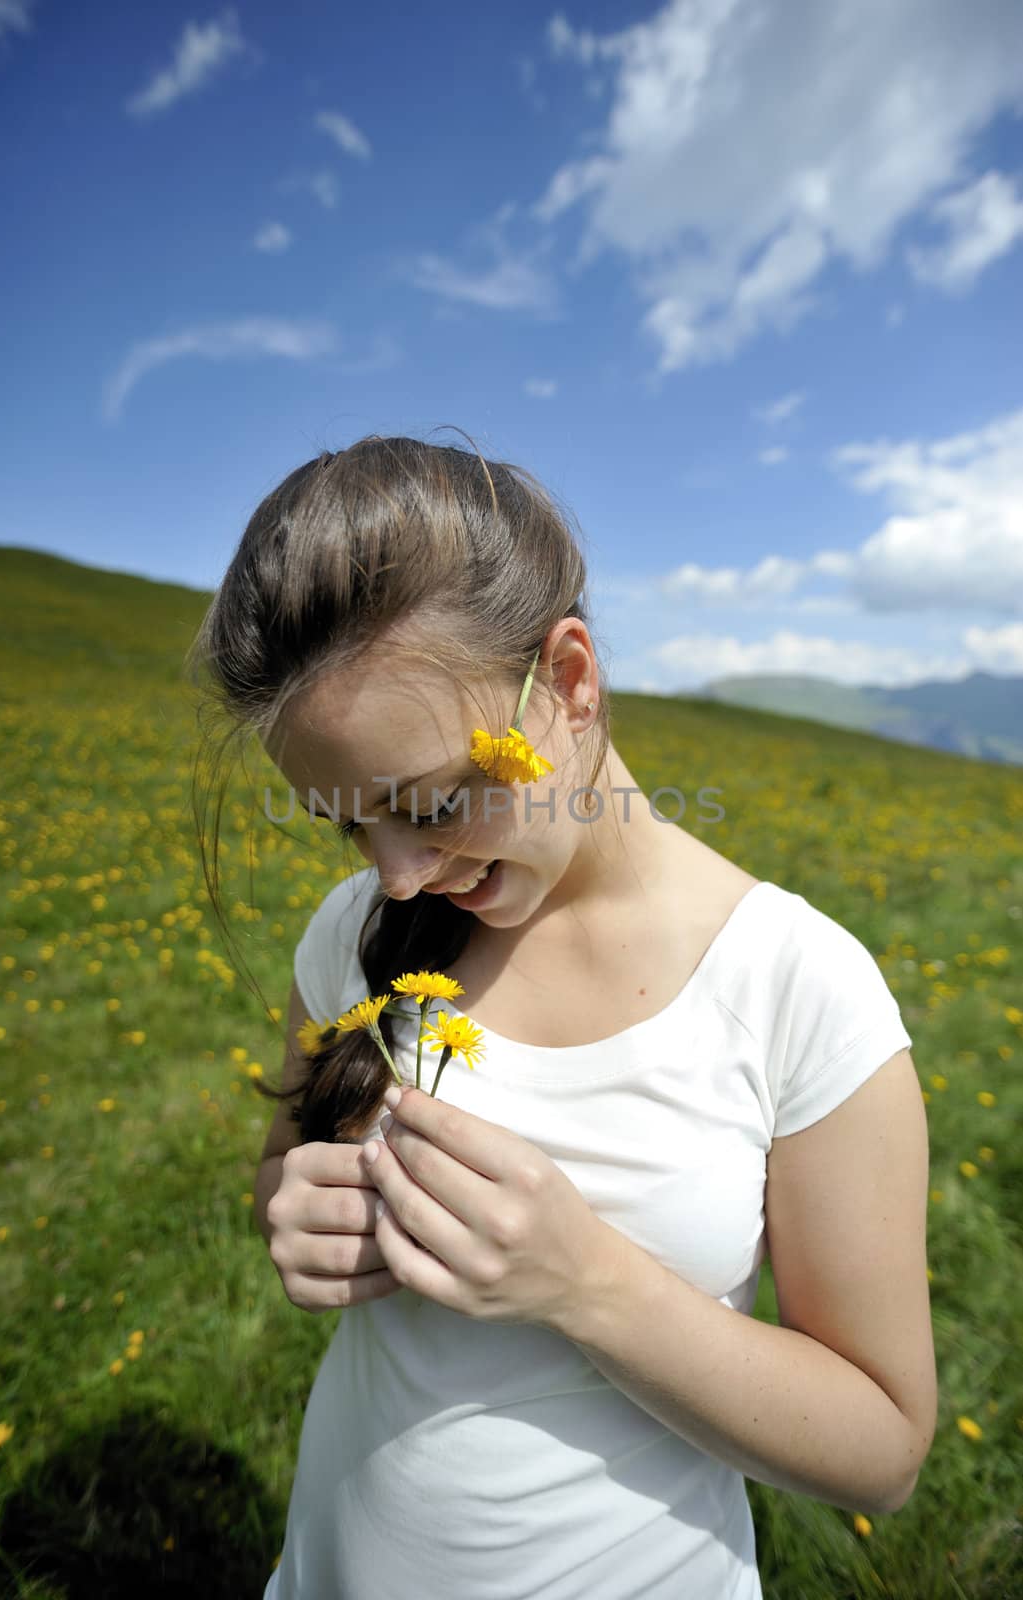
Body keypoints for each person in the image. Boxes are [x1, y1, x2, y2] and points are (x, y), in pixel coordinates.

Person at [186, 434, 937, 1599]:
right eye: (347, 822)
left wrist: (585, 1279)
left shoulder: (800, 990)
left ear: (571, 682)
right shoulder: (353, 935)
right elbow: (283, 1175)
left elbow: (884, 1452)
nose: (392, 876)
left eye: (432, 801)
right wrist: (295, 1214)